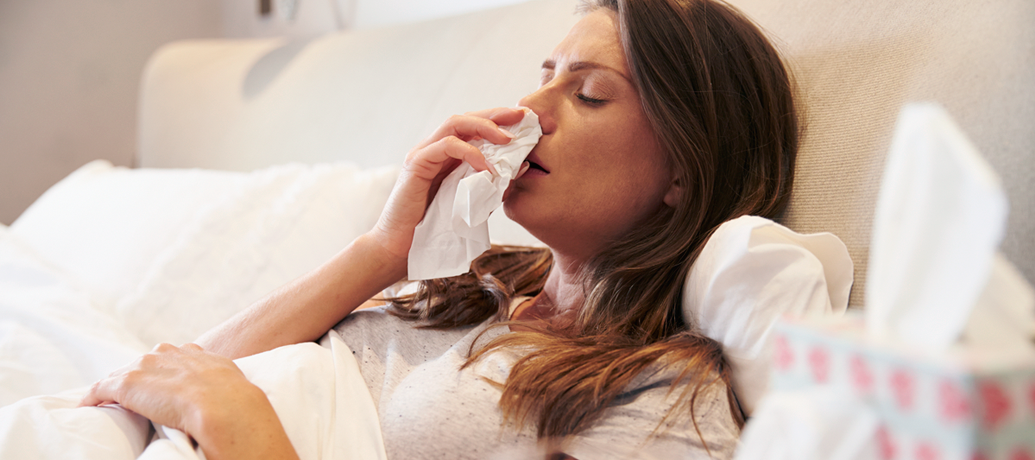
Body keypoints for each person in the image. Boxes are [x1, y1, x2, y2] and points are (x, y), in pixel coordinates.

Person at [79, 0, 798, 458]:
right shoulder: (476, 284)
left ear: (683, 169)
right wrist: (382, 250)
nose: (530, 106)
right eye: (542, 75)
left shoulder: (660, 397)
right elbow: (187, 372)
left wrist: (238, 424)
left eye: (587, 93)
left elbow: (215, 393)